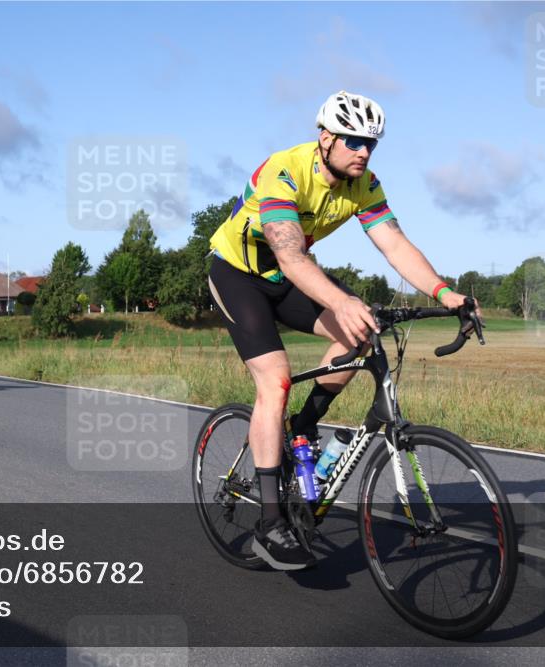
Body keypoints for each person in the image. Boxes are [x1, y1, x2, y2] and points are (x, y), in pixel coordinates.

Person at [207, 90, 476, 571]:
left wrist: (444, 292)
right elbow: (289, 256)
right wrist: (341, 299)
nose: (364, 152)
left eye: (372, 143)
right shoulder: (284, 172)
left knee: (361, 334)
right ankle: (270, 524)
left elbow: (394, 244)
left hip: (288, 277)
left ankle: (304, 425)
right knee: (276, 380)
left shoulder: (364, 184)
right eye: (354, 141)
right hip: (238, 275)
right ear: (326, 138)